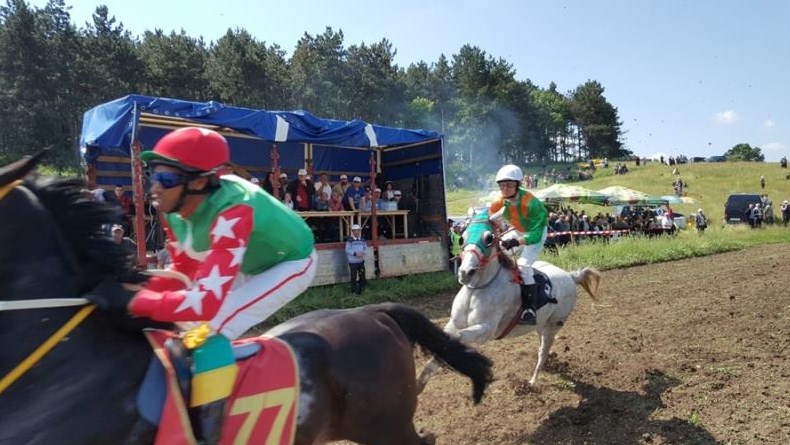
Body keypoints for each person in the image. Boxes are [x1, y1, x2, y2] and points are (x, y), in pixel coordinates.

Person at [94, 127, 317, 443]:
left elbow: (204, 304)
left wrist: (133, 301)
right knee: (186, 323)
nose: (154, 187)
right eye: (152, 174)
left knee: (210, 327)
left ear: (198, 182)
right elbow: (183, 270)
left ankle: (210, 434)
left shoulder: (234, 209)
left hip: (291, 262)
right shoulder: (174, 207)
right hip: (245, 260)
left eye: (166, 178)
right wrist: (139, 290)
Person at [489, 164, 548, 325]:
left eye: (509, 185)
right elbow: (490, 218)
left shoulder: (532, 203)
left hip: (536, 233)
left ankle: (529, 309)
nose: (504, 189)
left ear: (518, 184)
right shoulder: (499, 200)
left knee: (523, 266)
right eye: (501, 185)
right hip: (518, 230)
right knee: (497, 255)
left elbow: (535, 234)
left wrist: (516, 241)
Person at [345, 224, 367, 294]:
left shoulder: (362, 240)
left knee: (362, 276)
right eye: (355, 231)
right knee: (353, 277)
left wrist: (363, 253)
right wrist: (355, 253)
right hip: (353, 262)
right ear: (352, 231)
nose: (356, 232)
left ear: (359, 231)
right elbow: (347, 250)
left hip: (361, 261)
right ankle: (354, 291)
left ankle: (362, 289)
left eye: (358, 230)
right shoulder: (349, 240)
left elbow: (365, 248)